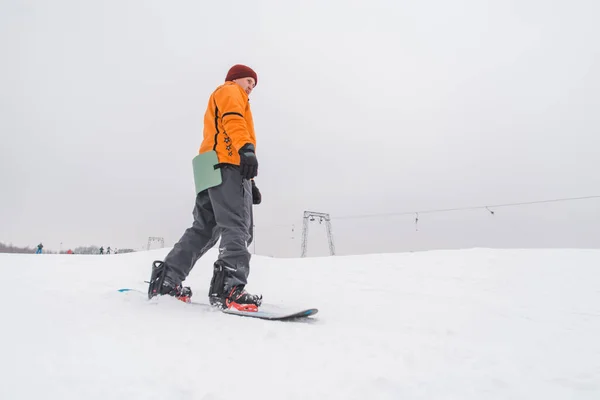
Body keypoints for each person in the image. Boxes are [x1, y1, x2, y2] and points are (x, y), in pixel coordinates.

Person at [148, 64, 263, 312]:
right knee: (237, 226)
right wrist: (247, 149)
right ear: (235, 78)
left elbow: (221, 133)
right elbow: (233, 119)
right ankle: (229, 288)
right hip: (228, 167)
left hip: (209, 168)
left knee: (204, 229)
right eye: (248, 81)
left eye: (254, 84)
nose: (251, 87)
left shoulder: (221, 94)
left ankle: (167, 280)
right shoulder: (232, 91)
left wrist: (250, 184)